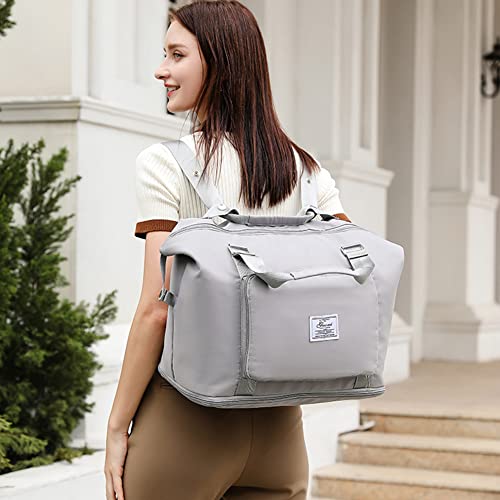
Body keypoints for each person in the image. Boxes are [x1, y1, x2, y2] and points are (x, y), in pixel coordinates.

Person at [104, 1, 351, 499]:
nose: (161, 70)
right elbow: (343, 277)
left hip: (187, 421)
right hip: (280, 429)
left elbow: (156, 308)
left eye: (177, 55)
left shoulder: (166, 164)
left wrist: (116, 427)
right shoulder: (307, 172)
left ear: (218, 63)